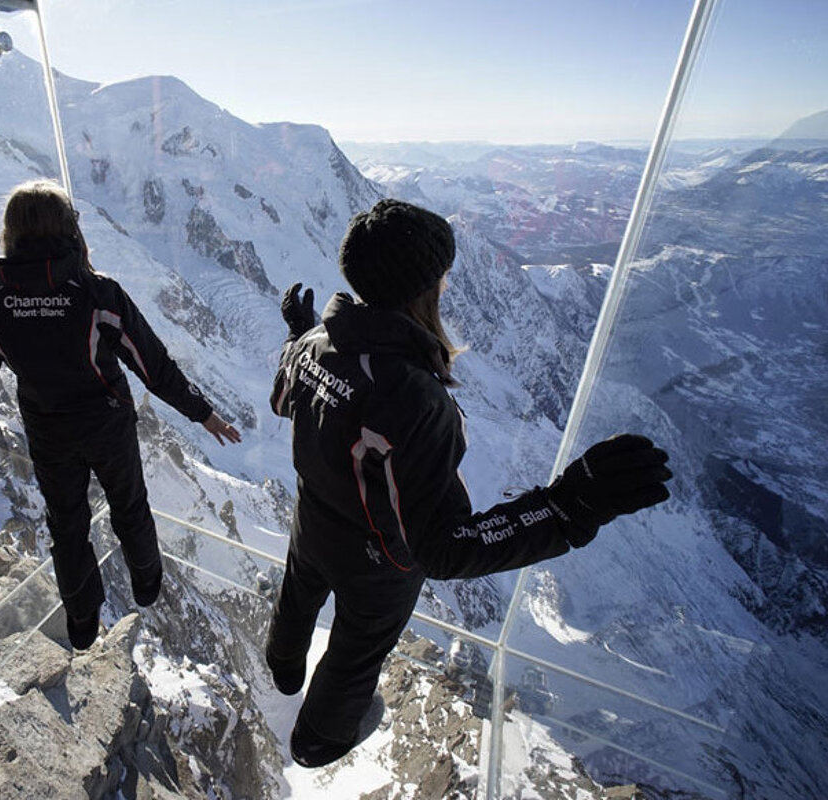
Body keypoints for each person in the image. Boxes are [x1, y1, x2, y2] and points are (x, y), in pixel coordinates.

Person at [265, 198, 672, 768]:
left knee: (298, 593)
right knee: (354, 653)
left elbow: (285, 401)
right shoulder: (416, 396)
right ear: (425, 288)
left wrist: (299, 335)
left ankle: (283, 664)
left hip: (311, 524)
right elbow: (443, 548)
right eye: (441, 277)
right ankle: (319, 741)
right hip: (378, 565)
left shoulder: (312, 347)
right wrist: (567, 507)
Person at [0, 179, 241, 650]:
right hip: (107, 423)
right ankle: (146, 585)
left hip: (48, 430)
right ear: (69, 228)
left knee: (66, 526)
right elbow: (151, 363)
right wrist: (203, 413)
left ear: (10, 233)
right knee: (129, 506)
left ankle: (82, 622)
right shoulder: (95, 294)